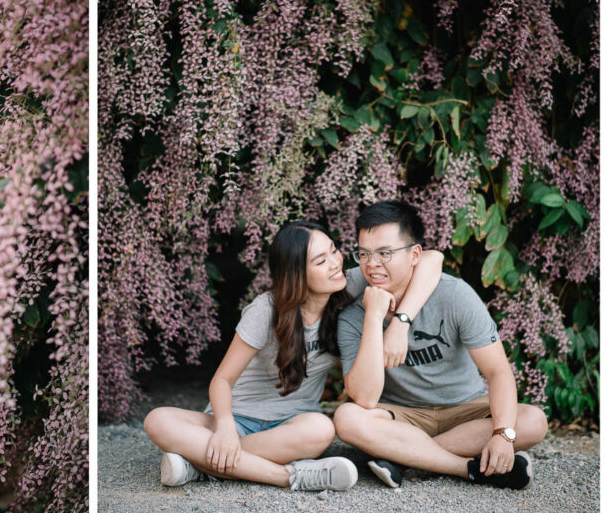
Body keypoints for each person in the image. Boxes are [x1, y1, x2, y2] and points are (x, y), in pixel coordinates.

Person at [143, 220, 444, 492]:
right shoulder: (265, 310)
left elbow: (432, 258)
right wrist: (224, 429)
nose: (335, 263)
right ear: (297, 273)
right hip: (238, 420)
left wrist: (400, 323)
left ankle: (201, 465)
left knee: (322, 429)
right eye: (320, 261)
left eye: (334, 250)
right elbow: (223, 379)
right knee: (158, 420)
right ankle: (289, 476)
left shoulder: (346, 286)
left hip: (292, 426)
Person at [333, 200, 549, 490]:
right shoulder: (354, 313)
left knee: (533, 420)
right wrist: (373, 317)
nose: (372, 264)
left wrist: (502, 435)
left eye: (385, 253)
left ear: (415, 255)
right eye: (363, 253)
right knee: (347, 418)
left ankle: (404, 457)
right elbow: (364, 398)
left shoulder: (454, 296)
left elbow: (498, 371)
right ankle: (466, 468)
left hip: (466, 409)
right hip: (402, 414)